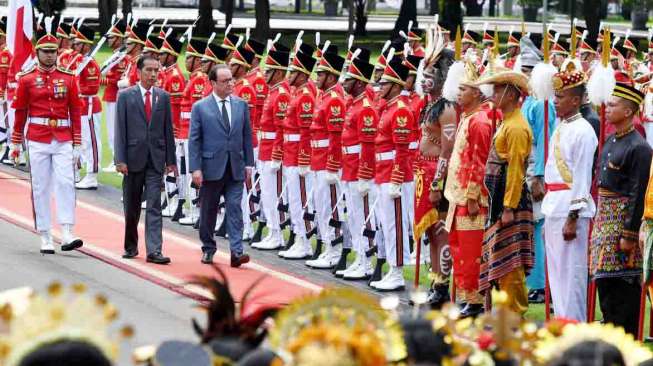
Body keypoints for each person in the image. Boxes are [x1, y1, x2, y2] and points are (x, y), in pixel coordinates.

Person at [9, 20, 84, 254]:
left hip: (62, 137)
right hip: (37, 138)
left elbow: (76, 110)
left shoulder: (69, 77)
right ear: (37, 53)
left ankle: (67, 231)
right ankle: (45, 235)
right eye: (45, 52)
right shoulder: (26, 78)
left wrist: (78, 143)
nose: (50, 56)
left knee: (66, 183)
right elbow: (20, 112)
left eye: (53, 52)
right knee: (40, 187)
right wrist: (15, 142)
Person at [591, 80, 652, 336]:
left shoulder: (639, 147)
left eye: (614, 104)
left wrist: (628, 234)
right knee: (605, 288)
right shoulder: (610, 141)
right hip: (603, 224)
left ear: (628, 111)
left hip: (621, 229)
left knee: (623, 292)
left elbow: (638, 193)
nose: (608, 107)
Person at [542, 60, 597, 322]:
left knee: (571, 277)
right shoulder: (563, 125)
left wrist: (573, 217)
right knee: (556, 276)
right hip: (554, 204)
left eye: (561, 97)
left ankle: (575, 330)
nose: (555, 101)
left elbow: (583, 177)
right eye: (555, 96)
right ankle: (563, 327)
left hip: (570, 210)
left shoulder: (584, 131)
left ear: (575, 100)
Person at [477, 67, 534, 315]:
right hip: (497, 202)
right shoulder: (505, 123)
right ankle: (500, 314)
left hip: (510, 204)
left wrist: (509, 206)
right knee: (498, 259)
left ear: (511, 94)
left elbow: (515, 171)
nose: (494, 93)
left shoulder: (517, 127)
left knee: (511, 262)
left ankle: (513, 315)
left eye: (499, 89)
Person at [189, 64, 254, 267]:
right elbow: (195, 140)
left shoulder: (241, 105)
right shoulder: (200, 107)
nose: (230, 84)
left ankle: (236, 252)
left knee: (235, 208)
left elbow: (246, 136)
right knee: (209, 209)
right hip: (211, 168)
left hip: (235, 166)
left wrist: (249, 164)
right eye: (225, 81)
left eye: (231, 80)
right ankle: (208, 248)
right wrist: (195, 168)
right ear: (213, 83)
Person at [114, 54, 177, 265]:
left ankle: (154, 250)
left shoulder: (163, 97)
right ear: (138, 72)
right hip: (132, 160)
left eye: (156, 70)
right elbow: (119, 131)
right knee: (132, 207)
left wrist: (171, 160)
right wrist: (120, 159)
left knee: (154, 205)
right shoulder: (125, 96)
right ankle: (130, 245)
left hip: (155, 160)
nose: (153, 74)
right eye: (148, 70)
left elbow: (168, 130)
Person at [444, 60, 494, 318]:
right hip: (457, 195)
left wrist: (474, 195)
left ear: (476, 92)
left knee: (471, 251)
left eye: (463, 89)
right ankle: (465, 296)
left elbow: (480, 161)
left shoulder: (480, 122)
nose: (458, 93)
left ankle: (474, 300)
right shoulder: (467, 117)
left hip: (470, 198)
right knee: (458, 248)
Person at [370, 56, 416, 291]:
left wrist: (396, 180)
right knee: (386, 224)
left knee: (395, 225)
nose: (380, 87)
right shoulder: (389, 107)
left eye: (385, 84)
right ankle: (392, 268)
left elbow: (402, 148)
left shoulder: (400, 110)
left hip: (394, 175)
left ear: (397, 86)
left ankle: (397, 272)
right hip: (383, 172)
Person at [73, 24, 103, 190]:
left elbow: (92, 87)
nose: (75, 46)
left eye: (79, 43)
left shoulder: (89, 63)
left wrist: (74, 89)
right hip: (79, 106)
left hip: (89, 105)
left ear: (86, 45)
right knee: (79, 140)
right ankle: (77, 169)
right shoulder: (79, 61)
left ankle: (92, 175)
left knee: (91, 141)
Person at [100, 18, 128, 173]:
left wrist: (101, 80)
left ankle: (117, 159)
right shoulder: (115, 55)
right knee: (111, 131)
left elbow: (118, 79)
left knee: (114, 131)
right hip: (110, 96)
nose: (109, 40)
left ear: (119, 39)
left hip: (116, 95)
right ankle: (115, 158)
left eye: (112, 37)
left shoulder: (121, 57)